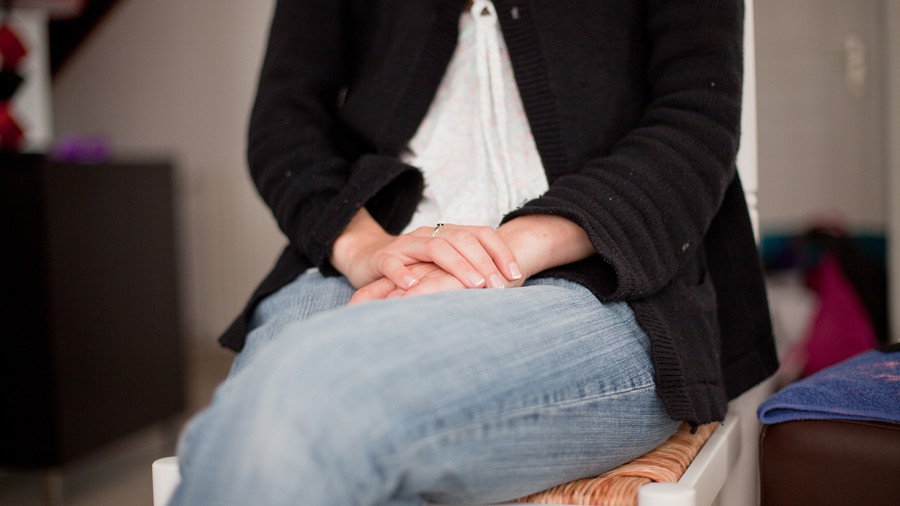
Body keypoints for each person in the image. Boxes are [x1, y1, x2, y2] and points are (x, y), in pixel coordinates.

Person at [171, 0, 778, 504]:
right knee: (255, 416)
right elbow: (285, 120)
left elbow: (697, 119)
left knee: (307, 406)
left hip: (602, 276)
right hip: (370, 254)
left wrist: (496, 255)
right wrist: (363, 246)